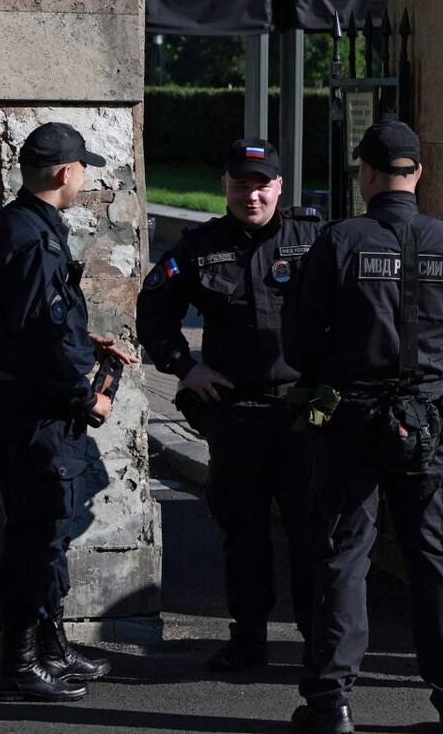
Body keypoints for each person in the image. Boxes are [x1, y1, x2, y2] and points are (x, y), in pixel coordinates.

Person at [284, 120, 443, 734]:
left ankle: (333, 705)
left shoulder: (338, 241)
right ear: (418, 174)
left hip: (351, 419)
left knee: (344, 559)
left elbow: (298, 342)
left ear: (365, 174)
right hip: (429, 423)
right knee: (438, 562)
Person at [136, 139, 321, 672]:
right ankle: (249, 638)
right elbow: (154, 312)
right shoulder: (198, 247)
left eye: (262, 184)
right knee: (244, 532)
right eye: (241, 185)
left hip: (301, 414)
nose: (252, 195)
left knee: (312, 532)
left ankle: (317, 639)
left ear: (280, 187)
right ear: (226, 187)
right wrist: (185, 367)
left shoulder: (315, 239)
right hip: (235, 413)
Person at [0, 121, 137, 701]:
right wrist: (88, 395)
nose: (84, 176)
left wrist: (85, 342)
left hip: (19, 396)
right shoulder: (36, 240)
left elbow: (25, 323)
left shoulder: (8, 227)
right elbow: (42, 337)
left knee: (46, 533)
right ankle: (19, 667)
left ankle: (49, 648)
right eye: (82, 168)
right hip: (39, 410)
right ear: (67, 173)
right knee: (36, 539)